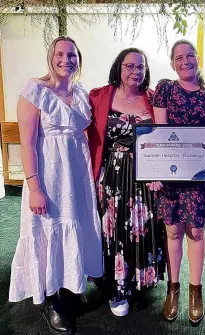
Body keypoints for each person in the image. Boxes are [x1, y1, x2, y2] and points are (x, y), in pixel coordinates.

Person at [9, 36, 103, 334]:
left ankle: (69, 288)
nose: (66, 60)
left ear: (79, 58)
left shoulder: (81, 91)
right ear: (50, 57)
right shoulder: (34, 91)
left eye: (72, 55)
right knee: (48, 231)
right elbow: (26, 143)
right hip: (48, 176)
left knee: (76, 226)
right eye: (60, 54)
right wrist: (34, 187)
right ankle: (53, 300)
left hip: (76, 174)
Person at [87, 48, 165, 317]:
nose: (135, 71)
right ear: (118, 68)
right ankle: (117, 289)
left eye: (140, 66)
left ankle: (137, 281)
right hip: (112, 174)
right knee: (115, 231)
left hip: (145, 176)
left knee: (139, 229)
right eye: (129, 66)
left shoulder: (152, 98)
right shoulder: (99, 96)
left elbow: (165, 136)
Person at [153, 39, 205, 323]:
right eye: (179, 58)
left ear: (198, 59)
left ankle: (196, 291)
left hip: (200, 174)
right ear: (173, 63)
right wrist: (157, 171)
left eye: (191, 56)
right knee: (173, 232)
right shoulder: (165, 88)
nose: (186, 62)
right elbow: (159, 133)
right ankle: (173, 289)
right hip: (172, 172)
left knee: (196, 232)